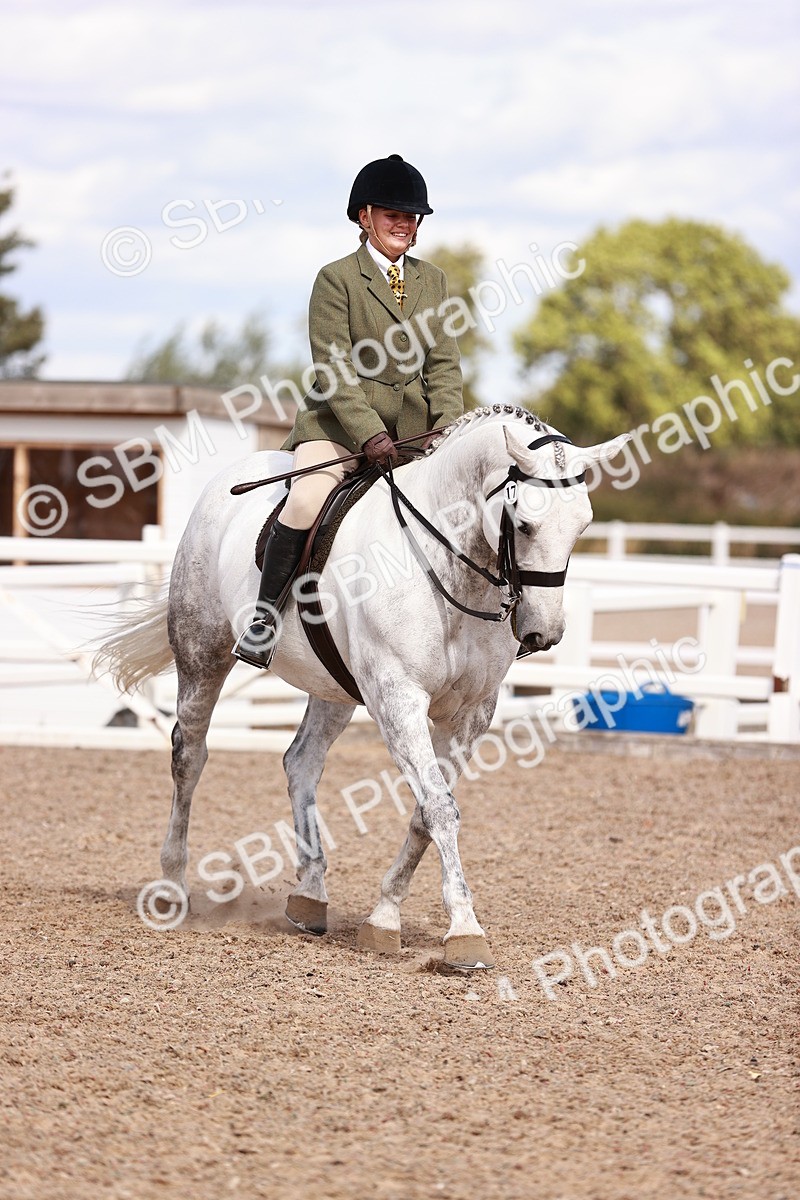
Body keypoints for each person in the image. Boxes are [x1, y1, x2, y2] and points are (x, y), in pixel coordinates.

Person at [233, 153, 464, 669]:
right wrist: (367, 435)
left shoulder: (434, 281)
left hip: (411, 437)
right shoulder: (336, 279)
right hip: (337, 428)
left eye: (411, 217)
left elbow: (445, 366)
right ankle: (265, 617)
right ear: (365, 217)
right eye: (392, 215)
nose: (403, 225)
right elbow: (334, 368)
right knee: (306, 498)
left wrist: (446, 429)